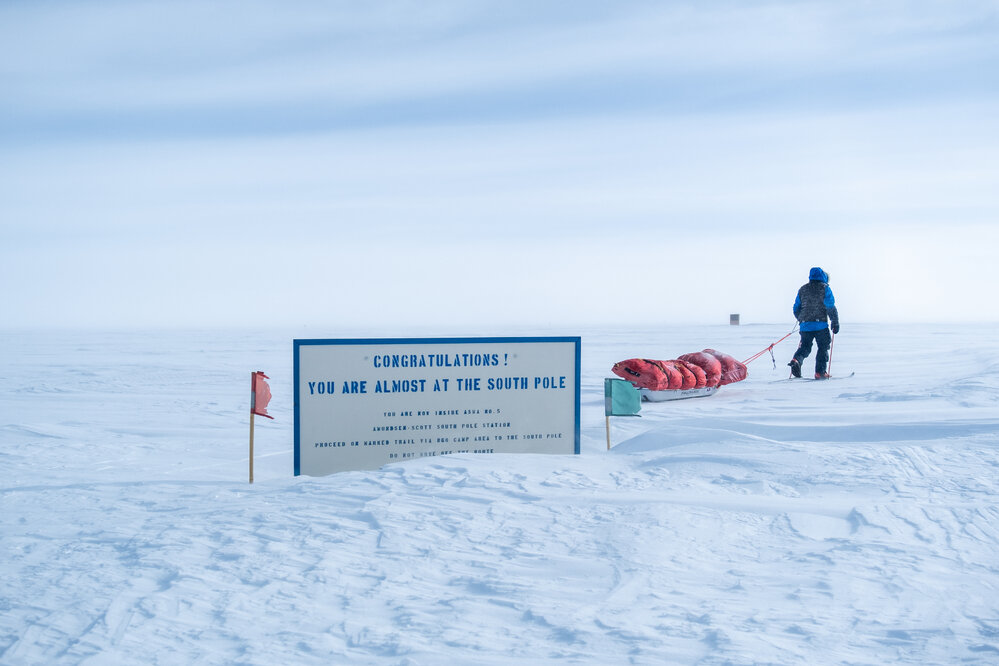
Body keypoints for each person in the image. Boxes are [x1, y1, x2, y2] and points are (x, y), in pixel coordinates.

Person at [788, 267, 840, 379]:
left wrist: (801, 319)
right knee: (823, 347)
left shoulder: (803, 289)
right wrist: (835, 322)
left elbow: (796, 308)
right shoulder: (825, 288)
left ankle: (796, 360)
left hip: (805, 325)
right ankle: (820, 372)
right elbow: (830, 306)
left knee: (805, 347)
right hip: (820, 325)